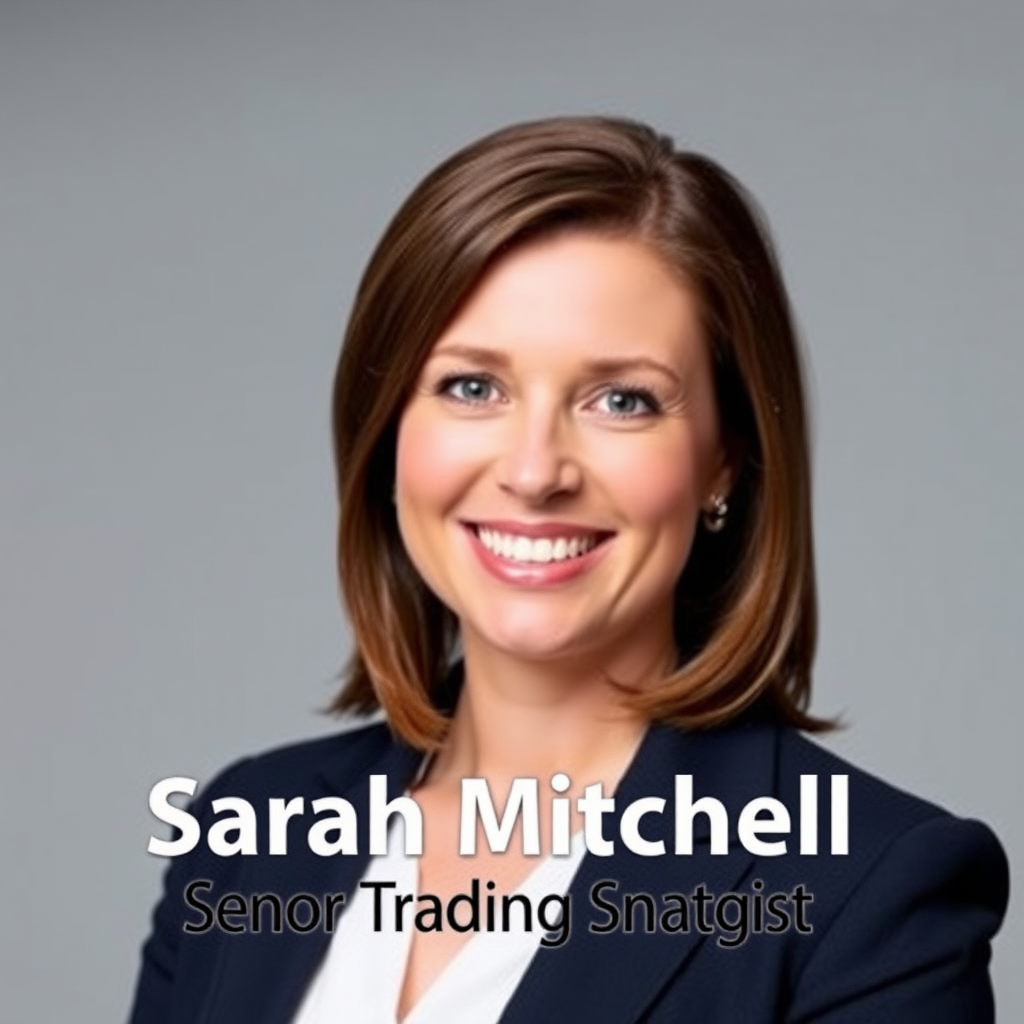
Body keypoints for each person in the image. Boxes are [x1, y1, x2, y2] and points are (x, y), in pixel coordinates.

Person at [127, 115, 1009, 1024]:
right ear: (387, 427)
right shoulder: (244, 831)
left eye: (622, 400)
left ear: (723, 462)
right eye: (473, 387)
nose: (535, 469)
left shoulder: (871, 894)